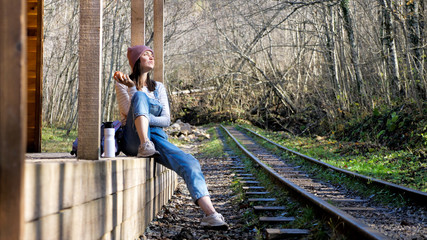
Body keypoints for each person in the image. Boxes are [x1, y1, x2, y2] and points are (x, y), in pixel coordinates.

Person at [113, 45, 228, 229]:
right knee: (140, 99)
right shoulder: (122, 82)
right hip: (133, 138)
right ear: (136, 61)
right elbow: (128, 114)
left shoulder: (158, 87)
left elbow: (166, 120)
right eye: (145, 54)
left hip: (157, 139)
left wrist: (145, 117)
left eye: (152, 54)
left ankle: (211, 214)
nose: (151, 57)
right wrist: (133, 89)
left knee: (190, 163)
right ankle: (144, 144)